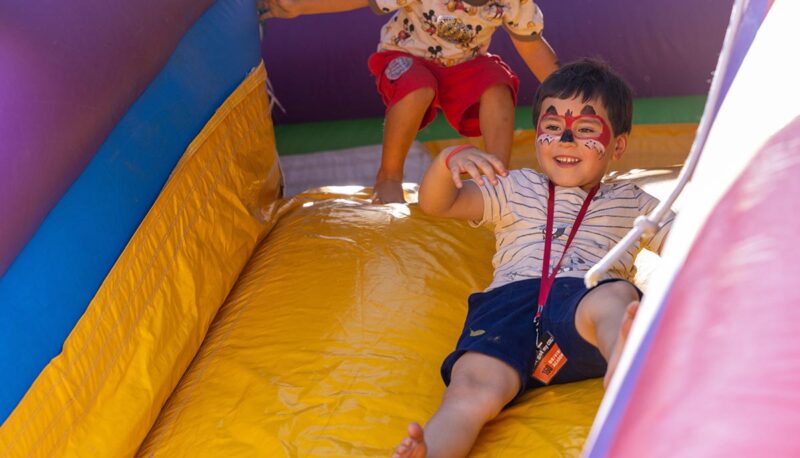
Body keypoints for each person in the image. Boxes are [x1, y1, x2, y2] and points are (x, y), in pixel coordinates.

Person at [394, 58, 674, 457]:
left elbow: (683, 240)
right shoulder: (514, 186)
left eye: (587, 129)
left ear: (618, 146)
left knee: (615, 299)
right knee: (472, 387)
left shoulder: (633, 202)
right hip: (509, 305)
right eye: (553, 126)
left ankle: (624, 369)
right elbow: (439, 204)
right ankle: (433, 451)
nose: (566, 139)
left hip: (581, 301)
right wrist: (447, 162)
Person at [260, 0, 559, 204]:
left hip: (462, 65)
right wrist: (294, 5)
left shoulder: (513, 3)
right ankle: (389, 176)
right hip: (405, 57)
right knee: (418, 87)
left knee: (497, 83)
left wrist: (572, 91)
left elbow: (531, 48)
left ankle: (496, 183)